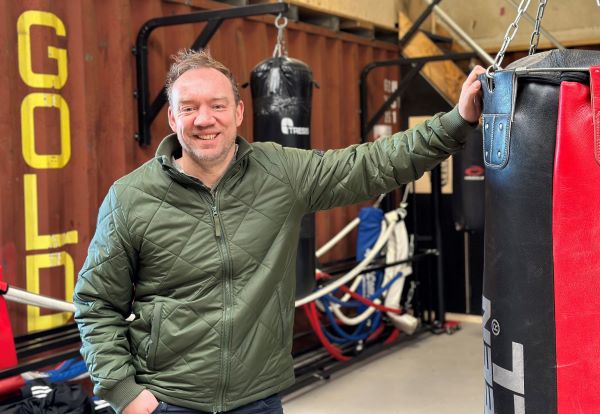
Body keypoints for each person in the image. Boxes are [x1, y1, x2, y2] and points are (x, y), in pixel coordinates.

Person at [74, 48, 485, 414]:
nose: (204, 119)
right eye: (189, 107)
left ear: (239, 112)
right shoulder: (129, 197)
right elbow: (96, 304)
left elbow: (372, 163)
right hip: (167, 399)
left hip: (258, 400)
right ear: (172, 116)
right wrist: (125, 393)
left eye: (217, 105)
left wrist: (458, 121)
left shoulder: (281, 172)